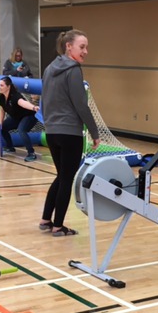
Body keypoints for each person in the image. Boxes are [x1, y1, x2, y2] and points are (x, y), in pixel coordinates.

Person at [39, 29, 100, 237]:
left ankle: (46, 219)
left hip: (52, 132)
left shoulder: (49, 69)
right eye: (82, 47)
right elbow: (81, 105)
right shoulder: (73, 69)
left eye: (86, 47)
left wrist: (49, 125)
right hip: (69, 133)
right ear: (69, 46)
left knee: (61, 176)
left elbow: (44, 101)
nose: (85, 51)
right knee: (66, 179)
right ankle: (58, 226)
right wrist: (94, 132)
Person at [0, 76, 40, 161]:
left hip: (29, 116)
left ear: (8, 86)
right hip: (16, 117)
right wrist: (0, 124)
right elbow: (1, 110)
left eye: (1, 85)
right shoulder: (1, 97)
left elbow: (23, 103)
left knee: (21, 130)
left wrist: (34, 107)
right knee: (2, 128)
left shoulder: (15, 96)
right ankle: (10, 147)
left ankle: (31, 153)